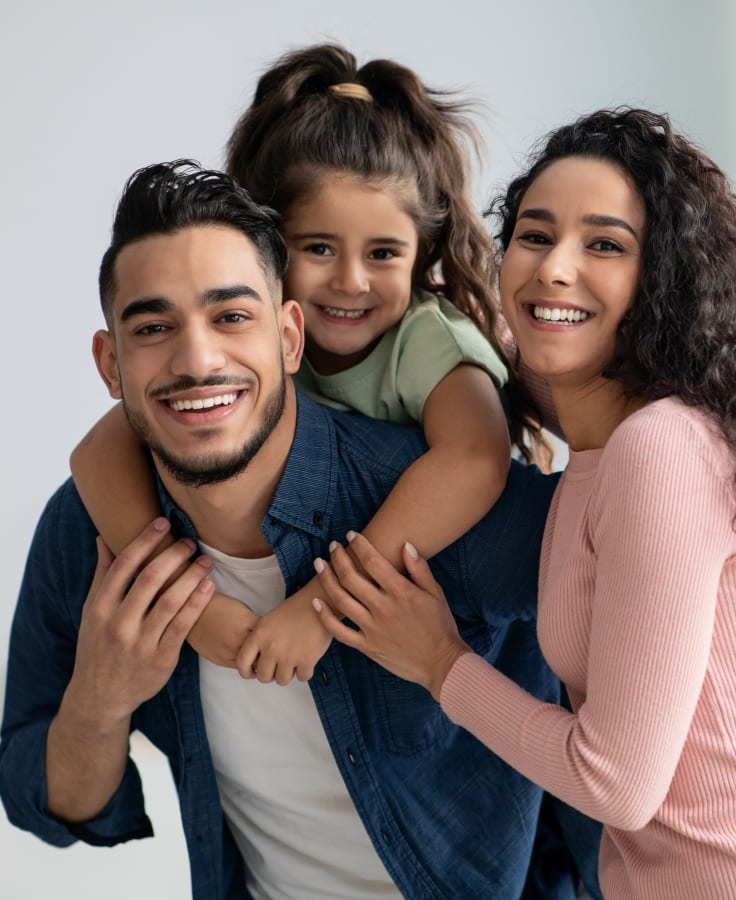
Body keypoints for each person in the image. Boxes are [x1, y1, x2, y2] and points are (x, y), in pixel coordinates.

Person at [312, 108, 736, 900]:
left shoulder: (663, 449)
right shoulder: (610, 430)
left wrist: (437, 661)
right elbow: (498, 361)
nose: (555, 267)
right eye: (534, 234)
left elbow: (614, 783)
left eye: (604, 245)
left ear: (662, 281)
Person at [0, 160, 571, 899]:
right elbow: (44, 804)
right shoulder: (88, 534)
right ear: (111, 365)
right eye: (153, 326)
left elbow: (640, 578)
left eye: (232, 317)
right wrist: (102, 698)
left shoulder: (433, 507)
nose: (197, 359)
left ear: (290, 337)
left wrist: (442, 663)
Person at [68, 44, 548, 684]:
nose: (350, 282)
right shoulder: (243, 344)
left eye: (383, 253)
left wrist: (319, 610)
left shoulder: (427, 341)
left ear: (420, 253)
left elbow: (474, 461)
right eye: (319, 247)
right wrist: (191, 605)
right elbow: (97, 454)